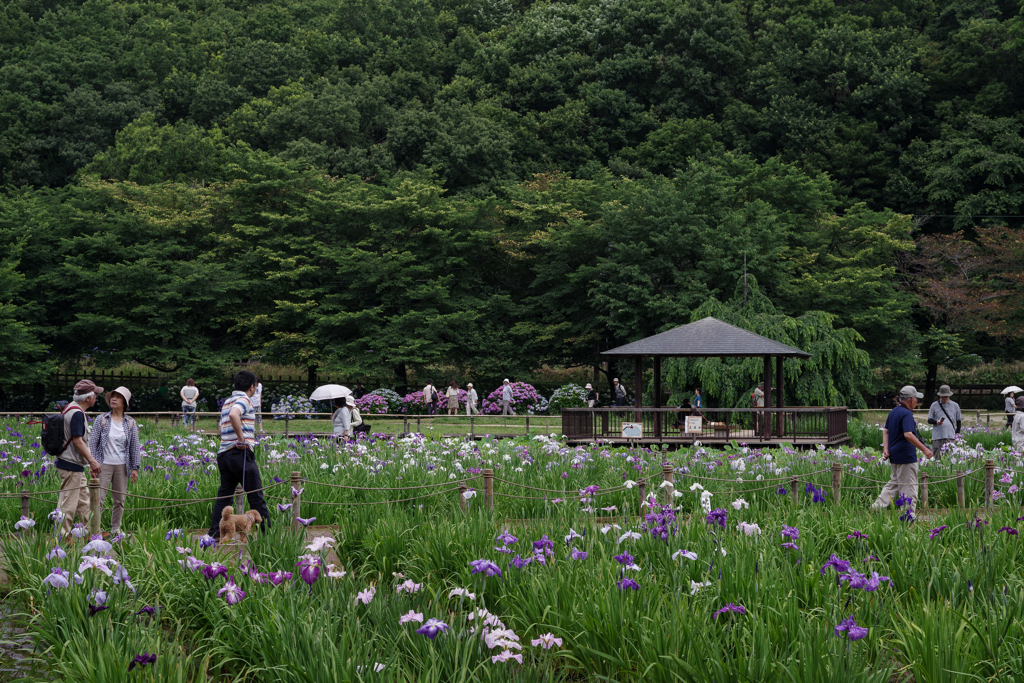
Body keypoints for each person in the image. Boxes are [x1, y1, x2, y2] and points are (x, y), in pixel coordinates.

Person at [207, 371, 271, 540]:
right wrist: (242, 438)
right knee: (256, 496)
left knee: (224, 497)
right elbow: (234, 415)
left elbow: (222, 428)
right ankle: (268, 536)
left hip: (224, 454)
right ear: (252, 386)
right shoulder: (244, 400)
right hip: (240, 453)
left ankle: (214, 536)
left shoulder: (227, 401)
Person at [872, 385, 933, 515]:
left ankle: (875, 508)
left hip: (895, 456)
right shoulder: (906, 414)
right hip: (906, 457)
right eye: (916, 398)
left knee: (893, 485)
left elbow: (886, 431)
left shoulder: (894, 411)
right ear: (911, 399)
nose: (917, 401)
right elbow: (908, 434)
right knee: (909, 489)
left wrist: (886, 449)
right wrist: (925, 450)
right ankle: (908, 518)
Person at [89, 386, 141, 535]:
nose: (114, 399)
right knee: (98, 499)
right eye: (113, 396)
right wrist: (92, 463)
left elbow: (134, 446)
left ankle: (115, 529)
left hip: (122, 465)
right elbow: (93, 442)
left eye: (118, 397)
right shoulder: (102, 419)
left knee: (120, 500)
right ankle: (94, 530)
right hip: (103, 464)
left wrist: (135, 468)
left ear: (124, 403)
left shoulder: (130, 422)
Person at [55, 380, 104, 536]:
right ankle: (61, 537)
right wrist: (92, 461)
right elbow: (78, 441)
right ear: (88, 398)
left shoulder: (70, 408)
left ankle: (91, 532)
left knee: (84, 502)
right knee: (68, 504)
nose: (97, 396)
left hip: (73, 464)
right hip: (71, 464)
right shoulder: (76, 413)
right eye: (95, 394)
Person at [927, 385, 961, 459]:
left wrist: (957, 433)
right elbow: (929, 420)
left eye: (946, 397)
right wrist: (936, 422)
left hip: (950, 436)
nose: (945, 398)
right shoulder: (934, 405)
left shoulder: (955, 405)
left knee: (949, 459)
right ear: (939, 396)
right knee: (937, 459)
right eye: (943, 397)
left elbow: (958, 420)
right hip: (937, 436)